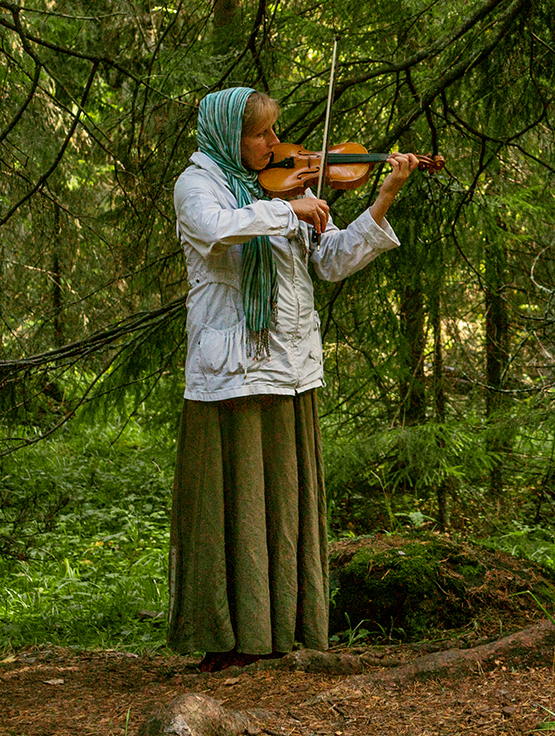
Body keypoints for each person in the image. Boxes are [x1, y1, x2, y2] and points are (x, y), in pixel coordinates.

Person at [167, 86, 419, 673]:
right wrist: (289, 208)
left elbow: (329, 261)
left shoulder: (288, 185)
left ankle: (283, 633)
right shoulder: (197, 184)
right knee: (231, 505)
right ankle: (227, 641)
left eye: (276, 132)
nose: (276, 145)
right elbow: (216, 230)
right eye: (261, 135)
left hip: (289, 367)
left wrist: (382, 199)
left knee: (281, 502)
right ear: (230, 136)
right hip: (229, 374)